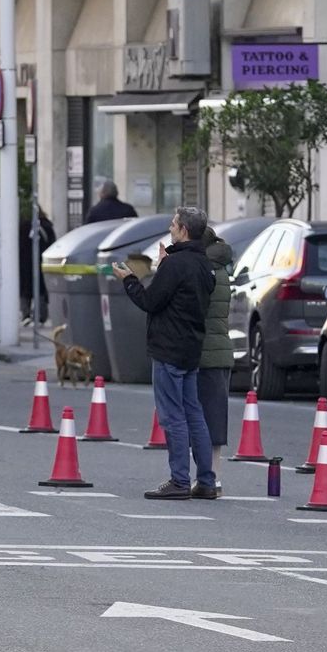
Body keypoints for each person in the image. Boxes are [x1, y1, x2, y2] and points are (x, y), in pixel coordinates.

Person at [113, 206, 216, 500]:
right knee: (194, 413)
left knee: (173, 417)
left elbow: (150, 301)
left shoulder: (176, 265)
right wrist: (164, 267)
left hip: (168, 348)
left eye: (173, 224)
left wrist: (129, 279)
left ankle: (179, 480)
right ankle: (206, 480)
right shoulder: (204, 265)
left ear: (184, 230)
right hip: (191, 346)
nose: (170, 228)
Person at [198, 226, 234, 481]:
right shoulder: (219, 269)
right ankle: (214, 474)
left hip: (206, 351)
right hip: (219, 349)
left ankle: (209, 476)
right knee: (215, 414)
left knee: (203, 415)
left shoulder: (204, 270)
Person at [19, 207, 58, 325]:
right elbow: (53, 244)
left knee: (25, 290)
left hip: (25, 264)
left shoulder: (22, 227)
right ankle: (41, 316)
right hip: (42, 262)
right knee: (41, 289)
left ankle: (26, 314)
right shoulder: (47, 226)